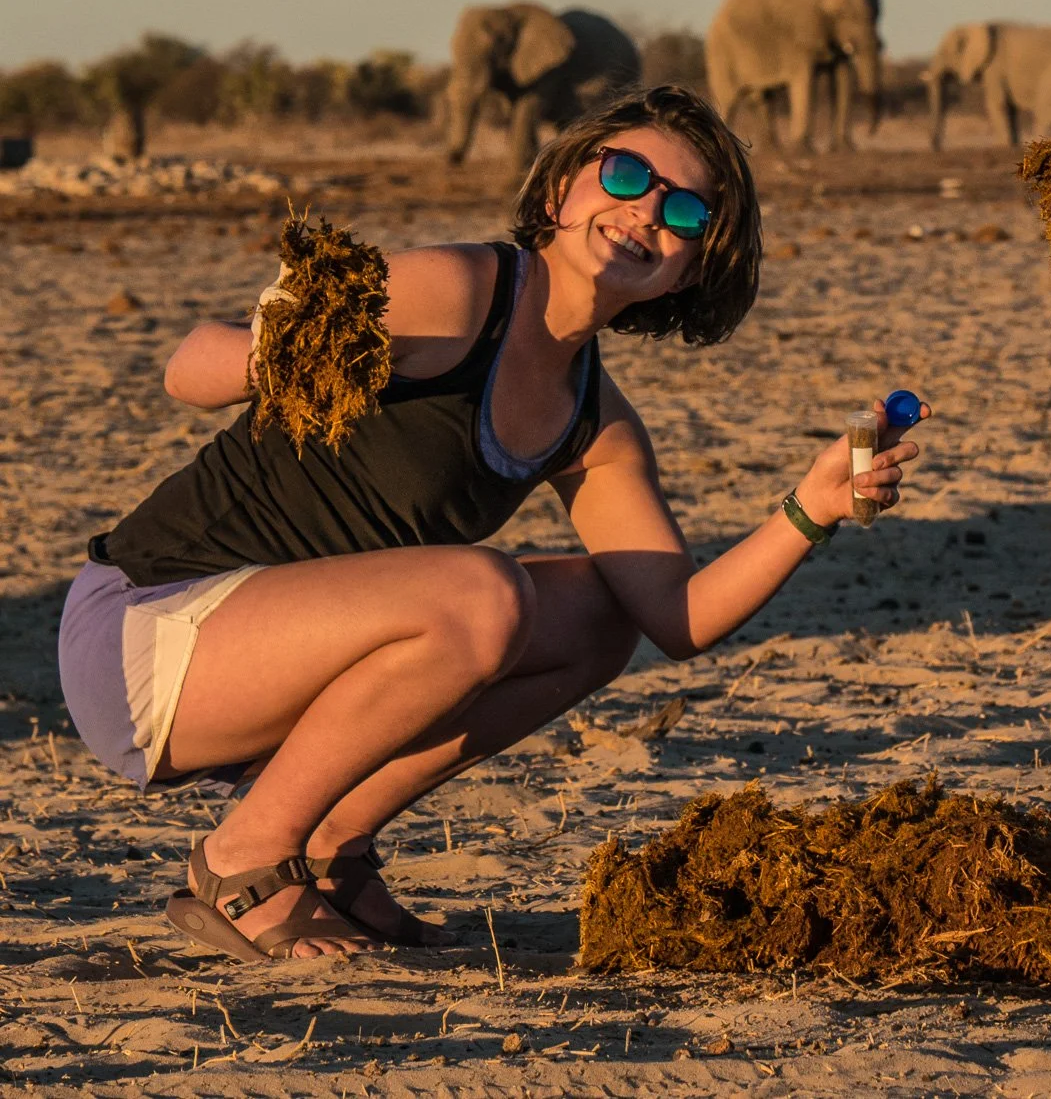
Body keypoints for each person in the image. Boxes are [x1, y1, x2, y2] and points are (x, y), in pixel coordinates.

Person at [57, 85, 926, 962]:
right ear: (559, 191)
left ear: (693, 267)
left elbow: (679, 618)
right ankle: (243, 859)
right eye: (625, 174)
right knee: (481, 594)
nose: (647, 210)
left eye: (687, 209)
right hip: (146, 638)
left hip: (266, 660)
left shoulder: (597, 423)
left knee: (597, 612)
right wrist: (284, 344)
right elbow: (185, 368)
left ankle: (330, 847)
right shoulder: (457, 289)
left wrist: (809, 510)